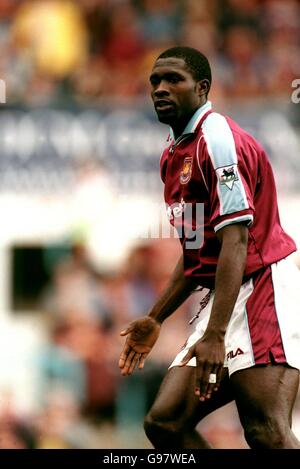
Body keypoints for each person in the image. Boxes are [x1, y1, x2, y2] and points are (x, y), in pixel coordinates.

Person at [118, 46, 300, 449]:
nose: (160, 89)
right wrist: (156, 317)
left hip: (264, 284)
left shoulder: (218, 141)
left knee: (266, 430)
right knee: (164, 424)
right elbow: (197, 251)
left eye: (173, 80)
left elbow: (235, 241)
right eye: (155, 81)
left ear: (202, 88)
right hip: (226, 290)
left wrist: (215, 334)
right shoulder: (173, 152)